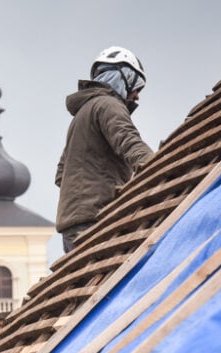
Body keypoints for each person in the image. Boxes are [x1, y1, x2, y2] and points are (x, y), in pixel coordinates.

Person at [55, 46, 154, 253]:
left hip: (72, 225)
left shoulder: (81, 116)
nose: (136, 95)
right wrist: (158, 167)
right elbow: (128, 141)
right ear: (123, 77)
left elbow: (60, 176)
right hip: (97, 219)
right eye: (136, 85)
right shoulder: (108, 105)